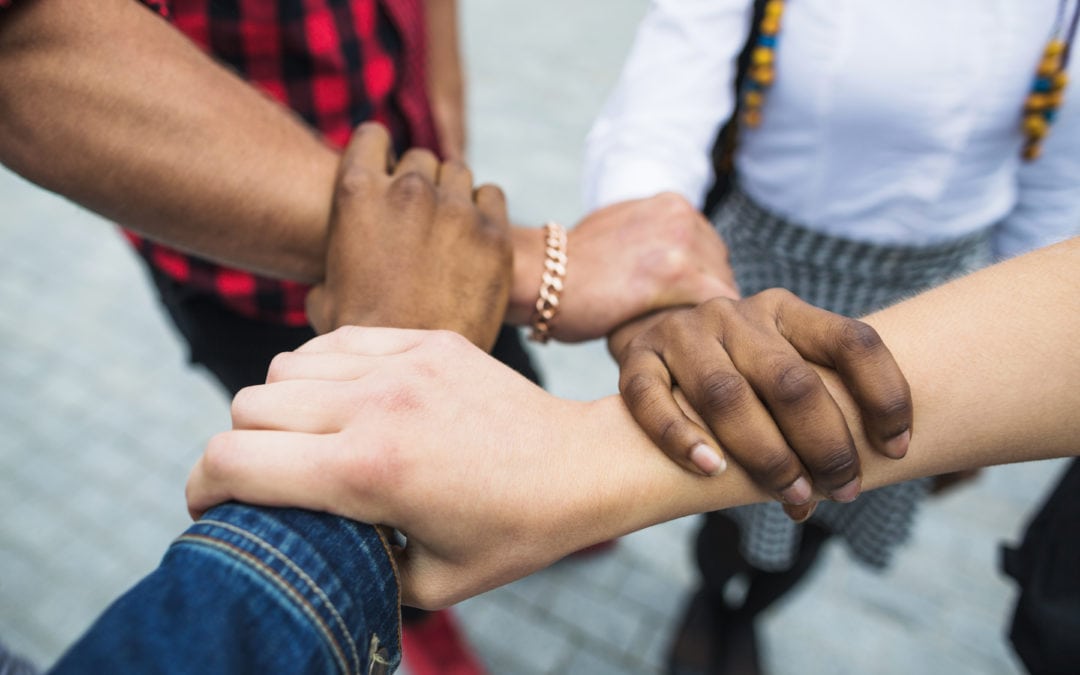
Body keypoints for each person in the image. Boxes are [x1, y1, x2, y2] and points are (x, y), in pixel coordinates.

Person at [0, 1, 740, 671]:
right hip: (244, 268)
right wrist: (533, 264)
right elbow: (28, 49)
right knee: (356, 461)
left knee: (494, 387)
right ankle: (405, 604)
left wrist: (441, 101)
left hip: (420, 183)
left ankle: (523, 514)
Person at [46, 235, 1080, 674]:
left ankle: (737, 612)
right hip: (782, 309)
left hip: (941, 321)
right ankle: (714, 605)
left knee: (802, 532)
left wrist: (584, 460)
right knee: (751, 524)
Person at [582, 1, 1080, 671]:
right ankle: (710, 596)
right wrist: (649, 273)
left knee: (841, 503)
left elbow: (1056, 172)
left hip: (941, 295)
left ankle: (750, 609)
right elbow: (668, 90)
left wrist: (1011, 357)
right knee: (732, 489)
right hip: (761, 276)